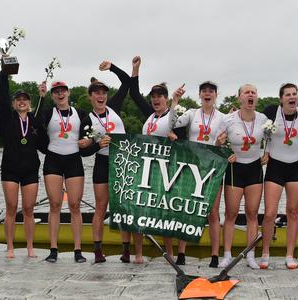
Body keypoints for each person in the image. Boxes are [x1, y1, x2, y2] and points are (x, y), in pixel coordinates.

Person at [128, 56, 181, 263]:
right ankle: (139, 255)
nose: (156, 99)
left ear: (166, 99)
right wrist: (136, 69)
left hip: (165, 171)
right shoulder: (150, 114)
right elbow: (133, 93)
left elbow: (184, 140)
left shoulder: (174, 115)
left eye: (160, 96)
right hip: (144, 169)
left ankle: (169, 253)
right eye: (153, 96)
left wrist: (176, 138)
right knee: (139, 211)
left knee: (164, 213)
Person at [79, 60, 131, 263]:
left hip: (123, 163)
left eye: (103, 93)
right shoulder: (87, 120)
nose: (101, 96)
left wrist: (112, 67)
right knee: (101, 207)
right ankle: (98, 252)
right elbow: (83, 152)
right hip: (102, 164)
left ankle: (126, 252)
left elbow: (127, 82)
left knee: (123, 207)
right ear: (91, 97)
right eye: (97, 93)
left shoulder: (115, 107)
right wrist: (97, 145)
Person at [171, 80, 227, 268]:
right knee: (188, 209)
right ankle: (181, 254)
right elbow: (171, 123)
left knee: (212, 213)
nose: (207, 93)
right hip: (191, 166)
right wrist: (174, 101)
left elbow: (229, 142)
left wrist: (222, 144)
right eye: (204, 91)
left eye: (211, 91)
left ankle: (214, 256)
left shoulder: (223, 118)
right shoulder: (191, 113)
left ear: (216, 95)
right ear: (200, 95)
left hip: (212, 167)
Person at [0, 67, 48, 258]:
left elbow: (44, 135)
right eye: (18, 99)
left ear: (30, 103)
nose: (22, 101)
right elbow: (0, 97)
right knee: (11, 208)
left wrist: (44, 95)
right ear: (13, 103)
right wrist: (4, 73)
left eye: (25, 99)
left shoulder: (34, 120)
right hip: (10, 169)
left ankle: (30, 247)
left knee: (28, 209)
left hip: (30, 170)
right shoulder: (7, 118)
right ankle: (9, 247)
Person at [216, 84, 268, 269]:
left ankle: (251, 255)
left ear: (257, 97)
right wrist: (224, 152)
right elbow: (218, 144)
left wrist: (267, 152)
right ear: (239, 98)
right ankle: (227, 255)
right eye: (246, 92)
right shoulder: (228, 119)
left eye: (253, 92)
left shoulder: (263, 119)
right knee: (231, 214)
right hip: (234, 169)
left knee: (252, 213)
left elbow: (272, 138)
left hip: (254, 168)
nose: (250, 95)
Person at [41, 79, 92, 263]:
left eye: (63, 91)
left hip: (73, 160)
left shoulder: (80, 113)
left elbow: (91, 133)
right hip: (53, 159)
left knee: (75, 206)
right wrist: (40, 97)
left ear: (68, 93)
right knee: (55, 204)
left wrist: (88, 141)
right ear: (52, 95)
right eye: (56, 92)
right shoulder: (48, 112)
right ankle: (53, 249)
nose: (60, 94)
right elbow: (36, 127)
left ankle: (78, 250)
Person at [259, 83, 298, 269]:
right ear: (281, 98)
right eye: (288, 94)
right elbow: (252, 122)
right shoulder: (271, 111)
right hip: (275, 167)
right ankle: (265, 253)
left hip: (296, 167)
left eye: (295, 94)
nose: (292, 97)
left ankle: (289, 255)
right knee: (270, 213)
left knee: (293, 213)